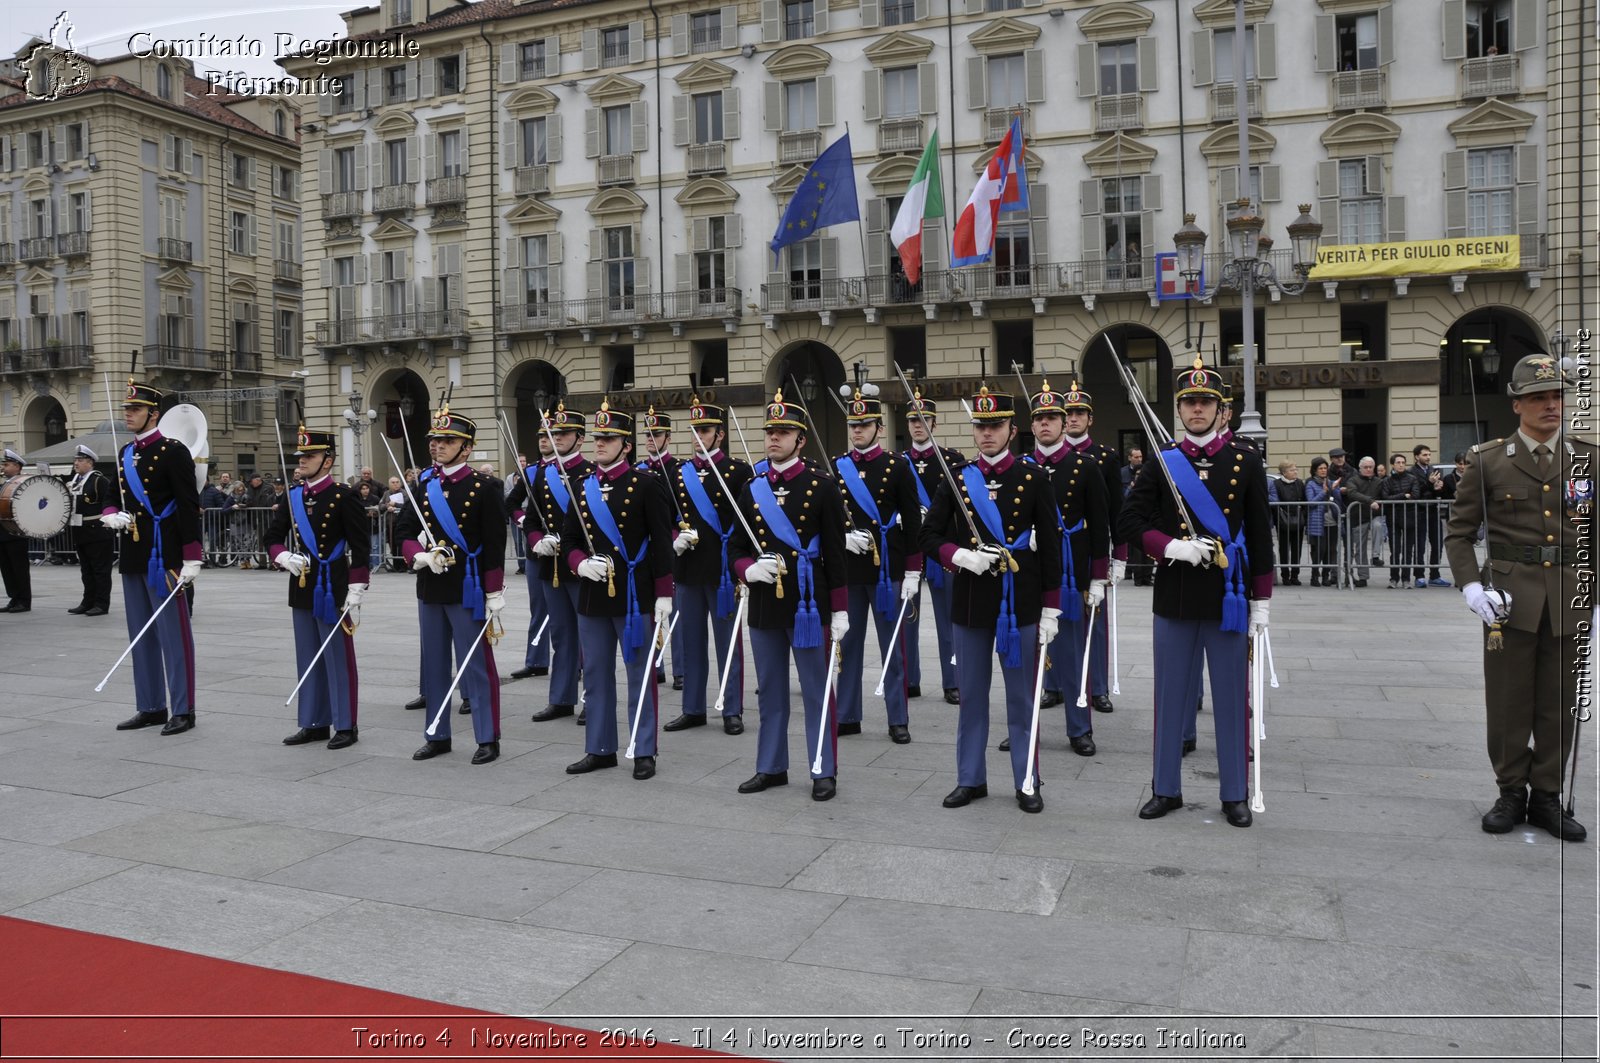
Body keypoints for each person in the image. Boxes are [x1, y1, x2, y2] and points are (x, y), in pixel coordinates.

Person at [1118, 356, 1273, 828]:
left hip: (1227, 597)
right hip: (1176, 594)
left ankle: (1234, 794)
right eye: (1189, 402)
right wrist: (1170, 548)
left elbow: (1262, 535)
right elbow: (1130, 521)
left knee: (1229, 699)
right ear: (1180, 409)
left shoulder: (1245, 459)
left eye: (1206, 402)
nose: (1198, 410)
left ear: (1222, 408)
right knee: (1169, 698)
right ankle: (1166, 788)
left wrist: (1262, 600)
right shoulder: (1164, 462)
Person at [1446, 353, 1590, 842]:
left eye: (1556, 396)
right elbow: (1460, 533)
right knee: (1508, 703)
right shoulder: (1488, 460)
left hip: (1570, 597)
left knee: (1561, 702)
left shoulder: (1588, 459)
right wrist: (1470, 585)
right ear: (1516, 405)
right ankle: (1511, 790)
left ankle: (1547, 796)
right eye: (1538, 398)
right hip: (1507, 600)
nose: (1550, 405)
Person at [921, 385, 1062, 813]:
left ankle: (1026, 779)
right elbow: (928, 536)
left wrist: (1051, 608)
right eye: (980, 426)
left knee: (1021, 700)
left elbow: (1053, 545)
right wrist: (959, 555)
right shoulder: (959, 477)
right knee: (972, 698)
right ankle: (970, 778)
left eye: (995, 426)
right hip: (969, 602)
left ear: (1011, 429)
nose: (986, 434)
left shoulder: (1033, 476)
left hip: (1019, 602)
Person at [729, 390, 849, 802]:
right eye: (770, 432)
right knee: (771, 691)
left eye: (784, 432)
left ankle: (822, 767)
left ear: (801, 440)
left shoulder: (823, 487)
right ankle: (771, 766)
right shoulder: (752, 488)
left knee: (817, 690)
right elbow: (736, 549)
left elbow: (835, 554)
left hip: (808, 605)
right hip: (764, 602)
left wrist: (841, 611)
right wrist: (747, 570)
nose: (774, 438)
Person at [561, 402, 675, 781]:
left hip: (634, 595)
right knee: (594, 674)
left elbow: (661, 542)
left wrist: (663, 595)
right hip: (593, 594)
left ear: (626, 445)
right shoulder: (582, 486)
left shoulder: (646, 484)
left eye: (608, 439)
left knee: (640, 674)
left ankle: (644, 749)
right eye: (598, 438)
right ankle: (600, 747)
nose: (600, 444)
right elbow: (571, 540)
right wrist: (579, 564)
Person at [395, 403, 507, 765]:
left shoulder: (486, 487)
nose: (437, 445)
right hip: (431, 585)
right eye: (434, 440)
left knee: (475, 665)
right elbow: (404, 530)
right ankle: (437, 734)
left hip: (468, 587)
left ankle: (487, 736)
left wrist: (493, 592)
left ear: (467, 447)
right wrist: (418, 555)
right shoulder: (423, 484)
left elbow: (495, 545)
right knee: (436, 664)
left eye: (447, 440)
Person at [102, 379, 204, 735]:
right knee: (140, 635)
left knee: (174, 635)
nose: (128, 415)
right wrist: (110, 512)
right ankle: (150, 705)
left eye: (135, 410)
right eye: (127, 410)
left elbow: (190, 506)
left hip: (166, 555)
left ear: (153, 414)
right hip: (133, 552)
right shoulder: (124, 454)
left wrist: (192, 556)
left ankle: (183, 709)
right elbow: (112, 494)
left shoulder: (174, 451)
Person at [265, 426, 369, 750]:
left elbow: (361, 547)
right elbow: (271, 537)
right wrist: (282, 556)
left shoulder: (344, 495)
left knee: (338, 657)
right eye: (300, 456)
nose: (302, 462)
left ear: (328, 460)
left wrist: (357, 587)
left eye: (309, 456)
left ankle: (345, 724)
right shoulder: (293, 496)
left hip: (333, 585)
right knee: (307, 654)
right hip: (302, 582)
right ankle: (313, 722)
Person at [831, 388, 922, 744]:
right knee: (848, 646)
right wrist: (842, 537)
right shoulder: (838, 467)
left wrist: (914, 570)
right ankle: (848, 715)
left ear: (879, 428)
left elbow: (914, 521)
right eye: (853, 424)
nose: (857, 430)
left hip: (888, 571)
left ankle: (898, 718)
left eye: (864, 424)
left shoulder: (897, 466)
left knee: (894, 649)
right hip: (851, 571)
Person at [660, 397, 754, 735]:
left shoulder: (738, 471)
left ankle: (732, 709)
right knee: (691, 640)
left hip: (723, 571)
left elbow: (750, 521)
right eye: (696, 430)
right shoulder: (678, 472)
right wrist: (675, 537)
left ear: (720, 435)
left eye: (706, 430)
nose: (699, 436)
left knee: (729, 643)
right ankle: (693, 708)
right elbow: (667, 517)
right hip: (687, 569)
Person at [1026, 381, 1110, 755]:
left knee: (1074, 652)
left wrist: (1099, 576)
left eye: (1053, 418)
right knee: (1028, 656)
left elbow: (1100, 524)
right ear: (1031, 426)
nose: (1046, 424)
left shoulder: (1086, 467)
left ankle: (1079, 727)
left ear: (1064, 424)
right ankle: (1024, 724)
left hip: (1070, 569)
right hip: (1029, 572)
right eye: (1040, 418)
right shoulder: (1021, 467)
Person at [1060, 380, 1127, 713]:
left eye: (1078, 413)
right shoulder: (1042, 458)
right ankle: (1054, 684)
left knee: (1094, 622)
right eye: (1068, 413)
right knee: (1052, 618)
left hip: (1089, 549)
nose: (1072, 418)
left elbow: (1116, 510)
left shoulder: (1105, 458)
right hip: (1055, 550)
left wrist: (1120, 556)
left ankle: (1097, 686)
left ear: (1090, 419)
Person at [522, 402, 591, 722]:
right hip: (552, 567)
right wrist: (538, 542)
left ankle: (594, 697)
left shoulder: (589, 474)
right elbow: (532, 520)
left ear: (580, 438)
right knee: (561, 635)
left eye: (565, 433)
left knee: (590, 638)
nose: (557, 437)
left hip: (584, 569)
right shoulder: (545, 474)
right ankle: (561, 698)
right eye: (555, 432)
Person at [901, 393, 966, 704]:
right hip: (910, 547)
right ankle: (909, 678)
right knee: (908, 617)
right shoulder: (898, 463)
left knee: (948, 620)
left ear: (934, 424)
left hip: (940, 546)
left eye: (924, 420)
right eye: (913, 420)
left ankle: (952, 681)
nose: (918, 426)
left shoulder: (952, 461)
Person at [636, 408, 687, 690]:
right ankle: (656, 665)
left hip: (672, 548)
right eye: (647, 435)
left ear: (667, 436)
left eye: (656, 434)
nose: (651, 439)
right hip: (646, 551)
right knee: (649, 609)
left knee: (674, 610)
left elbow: (683, 512)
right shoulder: (639, 471)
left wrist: (677, 535)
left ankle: (680, 668)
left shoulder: (678, 470)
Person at [503, 435, 553, 680]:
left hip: (569, 553)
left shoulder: (579, 471)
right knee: (539, 608)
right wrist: (522, 520)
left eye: (549, 436)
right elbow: (511, 502)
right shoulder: (531, 472)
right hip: (537, 550)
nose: (543, 440)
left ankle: (576, 662)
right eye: (541, 436)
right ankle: (536, 660)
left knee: (573, 615)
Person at [66, 445, 115, 616]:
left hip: (97, 532)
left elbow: (110, 502)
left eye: (80, 460)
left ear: (90, 462)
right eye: (75, 460)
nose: (76, 463)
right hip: (81, 532)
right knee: (86, 570)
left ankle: (101, 604)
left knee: (100, 570)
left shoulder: (98, 480)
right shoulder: (75, 481)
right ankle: (88, 601)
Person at [1413, 444, 1452, 587]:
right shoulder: (1412, 472)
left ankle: (1435, 575)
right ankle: (1419, 576)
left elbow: (1435, 492)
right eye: (1424, 455)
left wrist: (1438, 488)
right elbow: (1416, 491)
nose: (1428, 457)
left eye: (1429, 455)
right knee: (1420, 545)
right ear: (1417, 456)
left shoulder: (1433, 470)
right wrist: (1430, 484)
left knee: (1437, 544)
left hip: (1433, 510)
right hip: (1419, 511)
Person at [0, 449, 33, 612]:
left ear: (17, 467)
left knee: (19, 568)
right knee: (6, 568)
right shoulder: (3, 485)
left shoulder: (23, 485)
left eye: (6, 465)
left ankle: (24, 600)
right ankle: (14, 597)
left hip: (16, 533)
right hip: (2, 533)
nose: (3, 468)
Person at [1341, 456, 1382, 588]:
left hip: (1374, 516)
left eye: (1371, 467)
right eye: (1366, 467)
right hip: (1358, 518)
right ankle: (1363, 576)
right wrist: (1370, 501)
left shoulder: (1378, 481)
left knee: (1378, 526)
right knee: (1360, 549)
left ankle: (1375, 556)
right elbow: (1352, 493)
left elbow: (1384, 494)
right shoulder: (1353, 480)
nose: (1369, 469)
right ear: (1360, 468)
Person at [1379, 452, 1417, 588]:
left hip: (1409, 517)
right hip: (1393, 518)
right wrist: (1403, 495)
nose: (1401, 465)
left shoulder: (1412, 479)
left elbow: (1415, 496)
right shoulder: (1387, 481)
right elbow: (1385, 498)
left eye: (1403, 462)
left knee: (1407, 550)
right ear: (1393, 465)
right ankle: (1393, 578)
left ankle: (1406, 579)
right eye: (1398, 463)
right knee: (1395, 550)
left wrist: (1402, 497)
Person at [1268, 460, 1307, 585]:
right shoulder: (1276, 484)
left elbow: (1305, 501)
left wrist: (1302, 515)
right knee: (1284, 548)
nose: (1295, 472)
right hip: (1283, 520)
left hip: (1298, 520)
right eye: (1292, 470)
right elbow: (1275, 501)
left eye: (1296, 469)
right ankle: (1285, 575)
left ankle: (1295, 575)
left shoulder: (1300, 483)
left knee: (1297, 548)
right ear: (1284, 472)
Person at [1304, 457, 1340, 587]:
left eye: (1325, 468)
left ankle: (1326, 576)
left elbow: (1337, 500)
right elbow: (1311, 502)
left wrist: (1334, 489)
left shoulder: (1331, 482)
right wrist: (1324, 492)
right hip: (1317, 523)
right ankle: (1314, 577)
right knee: (1319, 550)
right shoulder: (1311, 484)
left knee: (1330, 551)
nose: (1324, 470)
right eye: (1320, 468)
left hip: (1332, 522)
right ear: (1314, 470)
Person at [1122, 448, 1153, 586]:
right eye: (1136, 457)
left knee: (1149, 548)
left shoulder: (1149, 474)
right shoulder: (1123, 473)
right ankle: (1137, 576)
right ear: (1129, 458)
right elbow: (1121, 496)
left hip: (1148, 517)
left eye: (1141, 456)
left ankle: (1147, 576)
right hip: (1131, 516)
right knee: (1135, 550)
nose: (1139, 459)